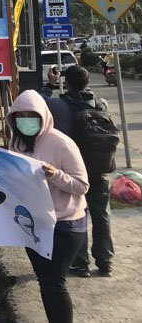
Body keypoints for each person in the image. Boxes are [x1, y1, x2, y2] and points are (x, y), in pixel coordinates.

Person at [7, 90, 88, 323]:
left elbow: (82, 185)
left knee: (54, 282)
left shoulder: (62, 143)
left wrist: (55, 175)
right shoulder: (17, 142)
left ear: (42, 116)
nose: (26, 121)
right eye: (20, 116)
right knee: (45, 281)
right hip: (34, 223)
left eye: (31, 115)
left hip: (64, 224)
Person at [46, 65, 113, 278]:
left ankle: (80, 263)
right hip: (99, 167)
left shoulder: (58, 105)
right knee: (101, 215)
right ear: (88, 82)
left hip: (73, 170)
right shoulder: (100, 104)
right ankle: (105, 261)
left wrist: (50, 84)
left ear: (67, 82)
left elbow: (36, 103)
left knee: (78, 214)